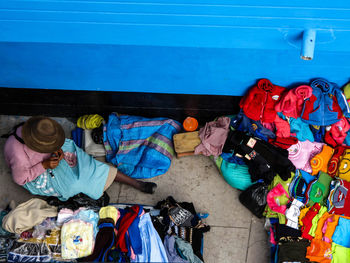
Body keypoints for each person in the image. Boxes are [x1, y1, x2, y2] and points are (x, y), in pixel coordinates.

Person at [3, 116, 157, 201]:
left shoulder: (36, 127)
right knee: (73, 183)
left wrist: (56, 149)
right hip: (37, 173)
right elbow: (21, 178)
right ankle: (86, 187)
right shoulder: (17, 154)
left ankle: (137, 184)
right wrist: (44, 165)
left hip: (49, 158)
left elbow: (53, 142)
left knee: (78, 157)